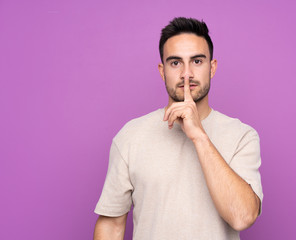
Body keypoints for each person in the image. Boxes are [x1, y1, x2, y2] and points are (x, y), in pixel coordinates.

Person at [93, 17, 263, 240]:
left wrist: (199, 136)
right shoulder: (130, 137)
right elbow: (112, 226)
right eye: (175, 63)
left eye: (197, 61)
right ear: (162, 71)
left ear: (212, 68)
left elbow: (242, 217)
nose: (186, 74)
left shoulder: (242, 136)